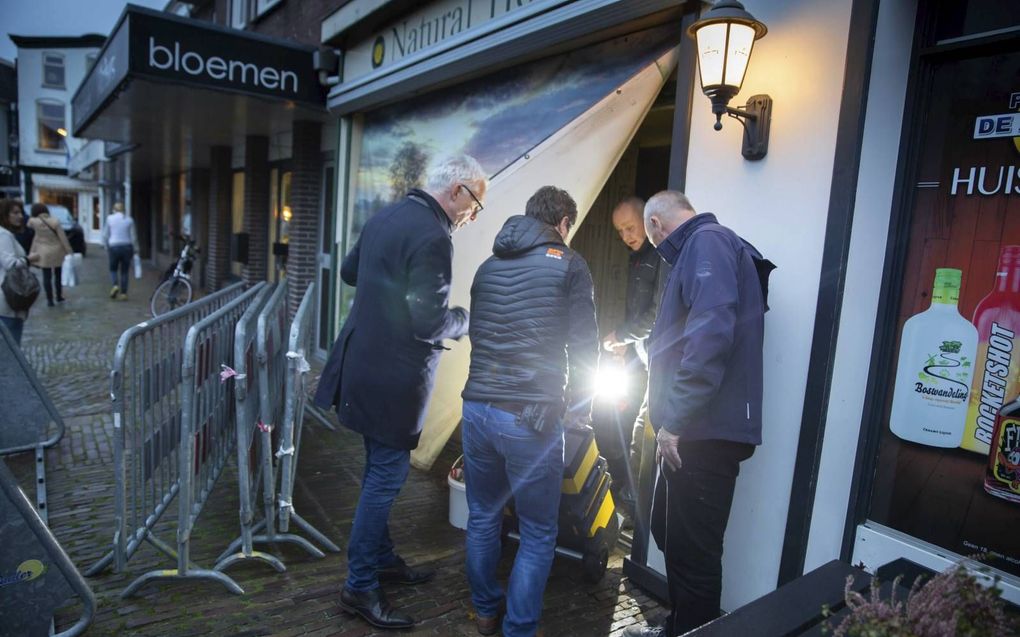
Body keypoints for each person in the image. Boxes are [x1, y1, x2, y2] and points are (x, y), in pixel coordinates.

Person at [312, 155, 488, 630]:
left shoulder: (384, 216)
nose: (473, 215)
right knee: (384, 480)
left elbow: (351, 273)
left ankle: (383, 560)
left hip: (360, 368)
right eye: (476, 204)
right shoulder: (433, 235)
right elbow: (429, 321)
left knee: (377, 472)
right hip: (393, 381)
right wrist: (468, 319)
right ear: (457, 191)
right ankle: (360, 585)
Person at [623, 191, 765, 637]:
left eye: (650, 239)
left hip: (700, 433)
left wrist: (676, 420)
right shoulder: (710, 244)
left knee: (696, 555)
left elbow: (710, 336)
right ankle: (679, 626)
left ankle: (692, 630)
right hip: (693, 431)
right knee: (672, 534)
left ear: (657, 227)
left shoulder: (707, 242)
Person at [461, 186, 599, 637]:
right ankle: (520, 629)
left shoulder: (487, 266)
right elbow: (583, 346)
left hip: (477, 408)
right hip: (529, 417)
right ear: (562, 223)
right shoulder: (570, 265)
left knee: (482, 514)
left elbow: (478, 335)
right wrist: (579, 404)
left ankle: (485, 612)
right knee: (539, 531)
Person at [598, 196, 666, 510]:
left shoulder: (662, 257)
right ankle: (622, 485)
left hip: (655, 361)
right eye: (620, 231)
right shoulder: (636, 259)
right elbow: (634, 311)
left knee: (640, 429)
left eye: (629, 227)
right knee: (617, 418)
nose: (626, 236)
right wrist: (624, 346)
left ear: (648, 220)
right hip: (636, 356)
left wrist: (623, 335)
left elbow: (656, 314)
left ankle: (634, 496)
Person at [0, 200, 40, 344]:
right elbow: (11, 264)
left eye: (21, 212)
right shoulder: (3, 235)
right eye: (15, 213)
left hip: (9, 301)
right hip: (7, 300)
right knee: (11, 351)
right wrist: (30, 259)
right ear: (5, 215)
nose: (20, 216)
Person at [28, 203, 72, 307]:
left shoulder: (33, 222)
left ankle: (49, 300)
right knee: (58, 275)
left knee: (46, 277)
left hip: (44, 252)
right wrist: (69, 251)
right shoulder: (55, 221)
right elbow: (63, 238)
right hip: (57, 251)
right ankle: (59, 296)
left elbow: (28, 226)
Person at [102, 202, 138, 300]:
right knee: (124, 271)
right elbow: (133, 236)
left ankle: (115, 285)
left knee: (113, 269)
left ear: (114, 209)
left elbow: (105, 234)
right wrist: (135, 249)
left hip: (114, 246)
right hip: (127, 247)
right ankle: (123, 293)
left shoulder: (109, 218)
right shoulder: (129, 220)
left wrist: (105, 246)